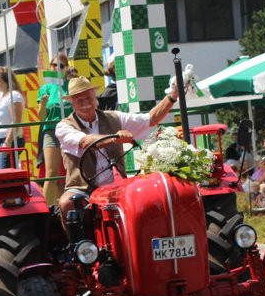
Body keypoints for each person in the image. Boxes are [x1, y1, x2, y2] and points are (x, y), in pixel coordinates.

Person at [54, 76, 179, 226]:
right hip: (83, 188)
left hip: (118, 183)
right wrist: (115, 137)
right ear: (72, 103)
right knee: (66, 203)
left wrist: (173, 96)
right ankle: (81, 248)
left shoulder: (114, 117)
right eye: (80, 100)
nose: (86, 103)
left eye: (88, 98)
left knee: (149, 196)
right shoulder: (63, 127)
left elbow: (150, 119)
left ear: (96, 99)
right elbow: (85, 142)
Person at [37, 64, 76, 205]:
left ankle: (67, 206)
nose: (57, 67)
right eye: (54, 65)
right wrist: (42, 103)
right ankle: (45, 211)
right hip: (51, 131)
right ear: (50, 67)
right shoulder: (45, 88)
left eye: (61, 65)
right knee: (51, 174)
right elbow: (41, 117)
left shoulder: (71, 85)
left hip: (69, 129)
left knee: (71, 172)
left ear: (66, 67)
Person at [0, 66, 25, 170]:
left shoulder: (13, 95)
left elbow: (16, 120)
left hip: (9, 139)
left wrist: (8, 142)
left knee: (4, 172)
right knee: (5, 172)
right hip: (3, 139)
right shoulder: (3, 96)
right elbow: (3, 119)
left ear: (0, 79)